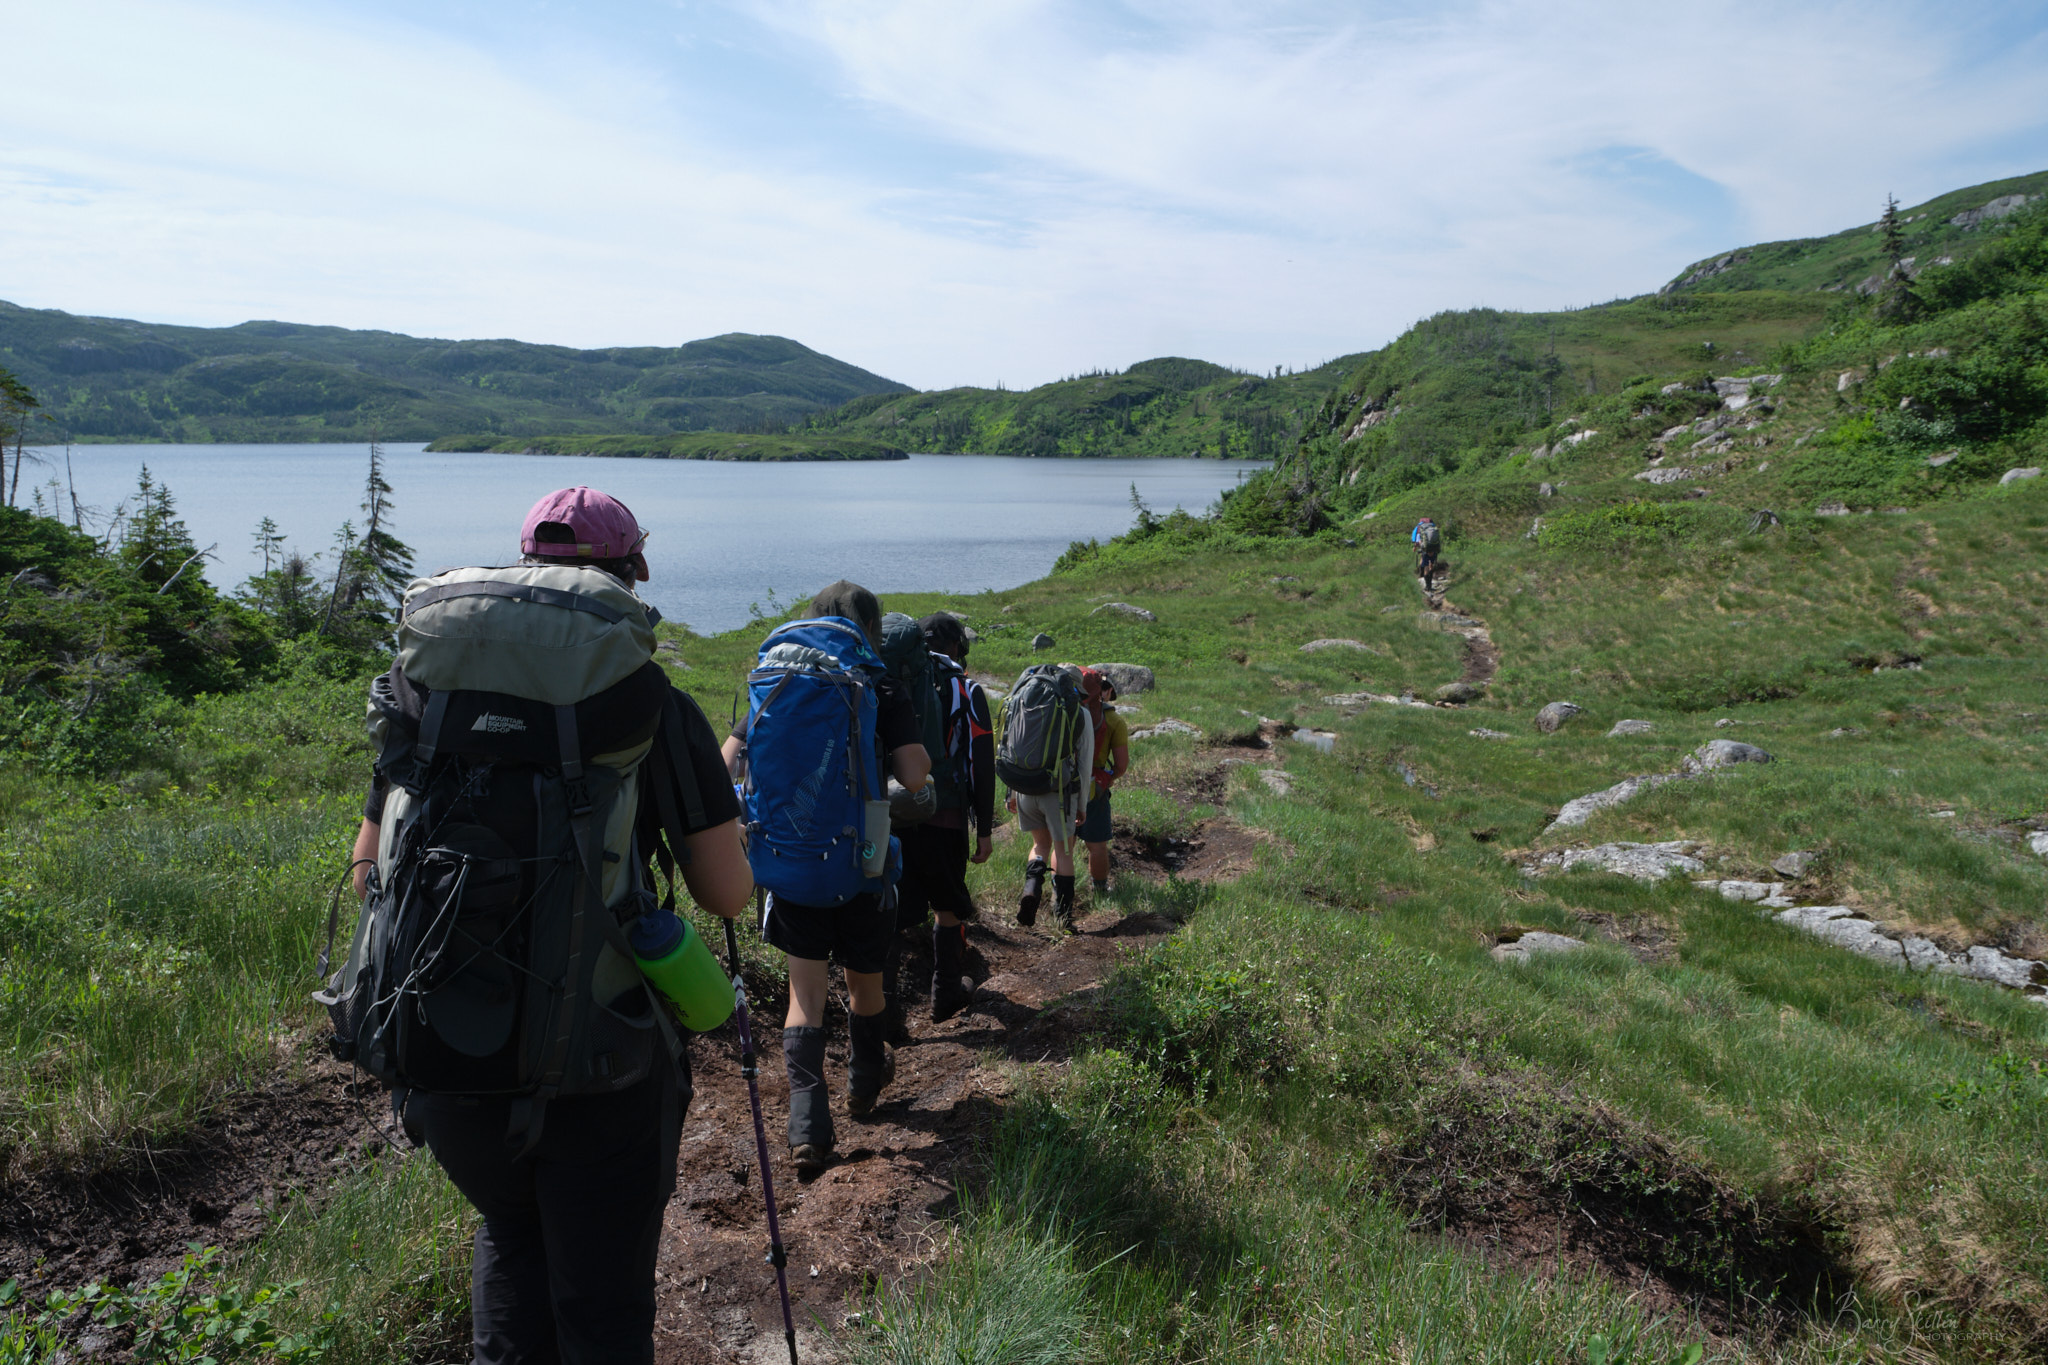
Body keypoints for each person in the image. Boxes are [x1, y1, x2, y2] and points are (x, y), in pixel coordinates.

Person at [347, 487, 753, 1365]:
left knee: (511, 1231)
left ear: (526, 568)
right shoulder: (652, 703)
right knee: (601, 1311)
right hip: (600, 1065)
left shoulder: (430, 697)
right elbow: (727, 895)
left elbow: (365, 870)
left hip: (445, 1050)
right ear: (630, 573)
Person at [721, 581, 930, 1175]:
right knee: (866, 986)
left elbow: (724, 765)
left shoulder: (776, 677)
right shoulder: (877, 682)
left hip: (789, 865)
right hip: (861, 865)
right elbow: (915, 776)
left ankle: (807, 1129)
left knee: (804, 996)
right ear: (870, 626)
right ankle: (864, 1084)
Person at [899, 613, 995, 1021]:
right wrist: (985, 830)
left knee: (895, 914)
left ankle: (886, 1018)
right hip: (945, 817)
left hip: (895, 815)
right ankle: (945, 995)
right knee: (947, 908)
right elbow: (982, 765)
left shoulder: (892, 682)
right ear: (957, 646)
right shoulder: (965, 689)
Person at [1010, 665, 1093, 933]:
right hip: (1058, 792)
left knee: (1039, 845)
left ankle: (1031, 889)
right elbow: (1085, 764)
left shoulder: (1029, 702)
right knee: (1064, 850)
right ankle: (1062, 919)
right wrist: (1082, 804)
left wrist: (1012, 791)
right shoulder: (1079, 712)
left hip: (1025, 788)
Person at [1077, 668, 1130, 897]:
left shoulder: (1063, 712)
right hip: (1093, 787)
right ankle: (1100, 891)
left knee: (1063, 845)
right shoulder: (1114, 720)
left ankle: (1060, 895)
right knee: (1097, 845)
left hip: (1063, 784)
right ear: (1102, 692)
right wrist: (1106, 779)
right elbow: (1121, 766)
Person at [1412, 516, 1442, 587]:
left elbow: (1416, 538)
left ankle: (1426, 583)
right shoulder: (1433, 527)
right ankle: (1430, 584)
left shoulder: (1420, 527)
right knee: (1431, 565)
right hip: (1434, 548)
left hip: (1426, 550)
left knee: (1425, 566)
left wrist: (1415, 546)